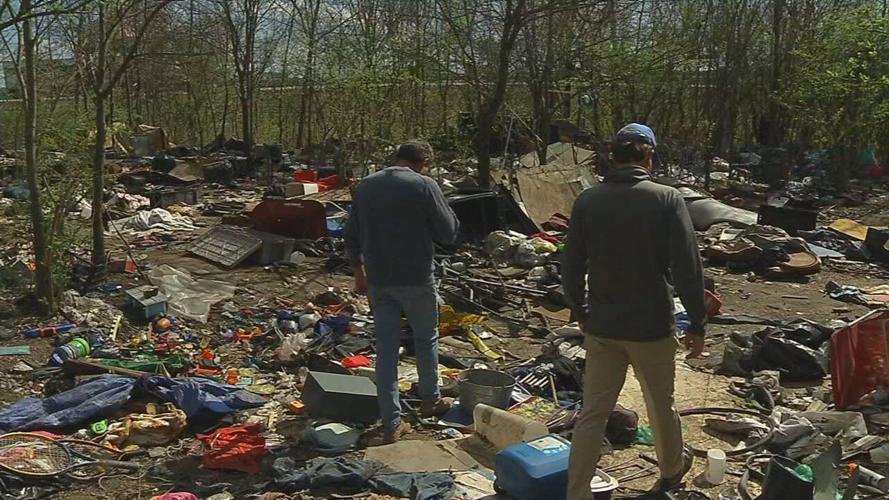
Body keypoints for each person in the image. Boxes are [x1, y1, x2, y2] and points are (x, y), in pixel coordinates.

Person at [562, 124, 707, 498]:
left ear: (613, 158)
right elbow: (687, 267)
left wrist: (579, 309)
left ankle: (577, 491)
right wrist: (697, 321)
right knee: (660, 405)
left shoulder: (588, 200)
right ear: (649, 156)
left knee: (593, 413)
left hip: (602, 325)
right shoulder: (666, 198)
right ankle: (670, 474)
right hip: (650, 327)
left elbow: (571, 263)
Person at [345, 140, 459, 445]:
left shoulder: (367, 186)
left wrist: (359, 273)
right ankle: (430, 398)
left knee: (386, 349)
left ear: (397, 157)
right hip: (416, 278)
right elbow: (448, 233)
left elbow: (351, 235)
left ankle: (391, 422)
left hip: (379, 280)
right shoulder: (424, 185)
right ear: (424, 162)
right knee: (426, 338)